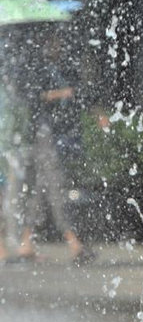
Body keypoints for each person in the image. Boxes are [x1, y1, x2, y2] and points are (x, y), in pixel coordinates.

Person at [15, 30, 94, 265]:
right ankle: (74, 243)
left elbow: (80, 95)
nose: (57, 47)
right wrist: (60, 94)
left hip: (61, 136)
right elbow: (31, 97)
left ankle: (25, 242)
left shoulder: (64, 69)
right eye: (53, 42)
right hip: (45, 136)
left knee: (42, 189)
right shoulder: (36, 69)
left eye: (59, 42)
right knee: (56, 187)